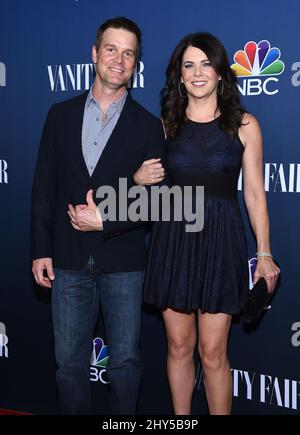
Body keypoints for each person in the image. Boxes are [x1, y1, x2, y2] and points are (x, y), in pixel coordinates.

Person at [135, 32, 280, 415]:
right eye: (188, 65)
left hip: (220, 241)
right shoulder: (166, 125)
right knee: (179, 347)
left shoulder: (244, 124)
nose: (198, 73)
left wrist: (263, 253)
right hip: (174, 241)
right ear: (179, 76)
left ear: (219, 72)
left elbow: (254, 194)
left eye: (205, 63)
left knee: (213, 352)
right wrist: (136, 180)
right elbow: (145, 185)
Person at [31, 17, 165, 415]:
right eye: (111, 49)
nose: (119, 60)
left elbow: (157, 203)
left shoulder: (148, 125)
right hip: (68, 259)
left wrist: (105, 217)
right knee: (69, 366)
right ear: (94, 53)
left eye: (128, 54)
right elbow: (44, 188)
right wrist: (40, 249)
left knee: (125, 363)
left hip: (124, 262)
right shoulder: (59, 115)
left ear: (136, 64)